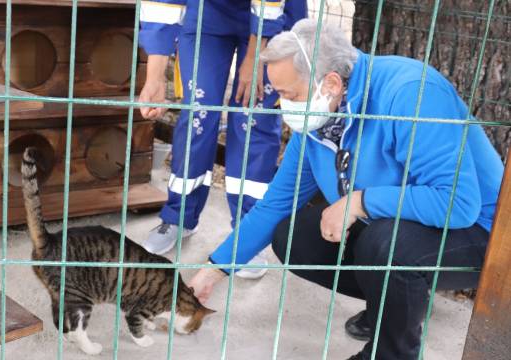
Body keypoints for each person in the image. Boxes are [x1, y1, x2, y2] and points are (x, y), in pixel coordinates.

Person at [187, 19, 504, 360]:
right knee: (292, 235)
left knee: (385, 245)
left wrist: (359, 201)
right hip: (400, 224)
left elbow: (458, 202)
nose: (282, 105)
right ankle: (393, 305)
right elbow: (277, 204)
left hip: (480, 233)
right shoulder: (319, 119)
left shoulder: (411, 92)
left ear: (332, 83)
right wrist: (215, 269)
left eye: (288, 94)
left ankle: (392, 352)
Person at [138, 0, 307, 279]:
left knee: (254, 117)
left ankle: (248, 231)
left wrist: (256, 56)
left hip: (275, 14)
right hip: (208, 12)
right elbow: (162, 4)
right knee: (198, 114)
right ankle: (179, 216)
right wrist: (154, 76)